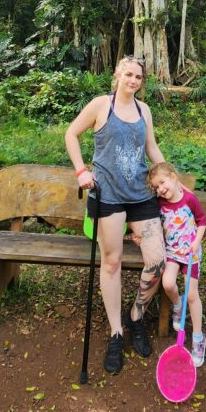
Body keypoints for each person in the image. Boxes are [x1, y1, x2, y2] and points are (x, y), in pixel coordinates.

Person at [65, 56, 166, 374]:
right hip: (108, 196)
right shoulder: (100, 105)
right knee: (111, 263)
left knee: (157, 260)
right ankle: (115, 332)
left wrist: (168, 178)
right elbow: (71, 134)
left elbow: (151, 148)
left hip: (141, 196)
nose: (133, 80)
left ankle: (135, 315)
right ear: (117, 76)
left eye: (138, 77)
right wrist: (81, 170)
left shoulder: (144, 111)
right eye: (128, 75)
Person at [147, 161, 206, 368]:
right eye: (156, 187)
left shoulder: (189, 199)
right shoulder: (159, 203)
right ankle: (178, 306)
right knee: (168, 284)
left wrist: (197, 241)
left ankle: (198, 339)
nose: (161, 189)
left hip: (191, 255)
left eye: (162, 182)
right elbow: (150, 222)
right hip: (173, 253)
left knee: (192, 295)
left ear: (173, 177)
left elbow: (202, 221)